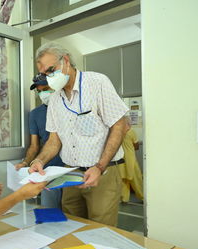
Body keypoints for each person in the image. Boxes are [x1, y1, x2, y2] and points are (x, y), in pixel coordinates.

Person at [28, 42, 129, 226]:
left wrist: (99, 167)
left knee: (101, 231)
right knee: (71, 227)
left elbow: (119, 126)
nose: (49, 77)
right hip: (70, 175)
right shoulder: (55, 99)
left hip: (102, 173)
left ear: (65, 60)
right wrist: (39, 161)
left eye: (51, 70)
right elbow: (54, 140)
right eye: (44, 74)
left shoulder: (97, 83)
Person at [14, 74, 64, 209]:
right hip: (48, 171)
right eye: (40, 91)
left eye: (46, 89)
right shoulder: (35, 114)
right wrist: (25, 162)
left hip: (69, 168)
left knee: (73, 214)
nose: (43, 94)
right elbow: (34, 145)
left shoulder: (68, 108)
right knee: (49, 213)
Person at [120, 123, 144, 202]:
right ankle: (143, 197)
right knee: (137, 179)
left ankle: (124, 198)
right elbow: (136, 146)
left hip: (121, 160)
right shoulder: (131, 132)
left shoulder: (119, 132)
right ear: (128, 124)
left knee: (124, 179)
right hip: (131, 159)